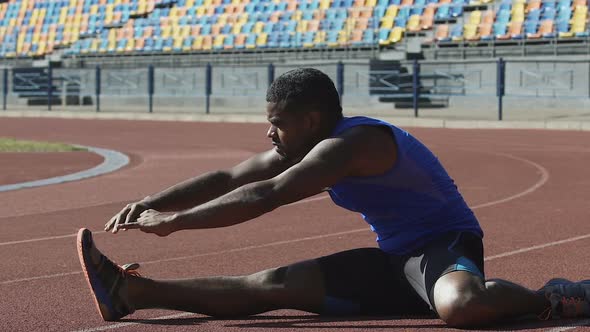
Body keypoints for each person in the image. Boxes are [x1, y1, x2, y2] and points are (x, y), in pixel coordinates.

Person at [77, 68, 590, 327]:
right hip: (395, 264)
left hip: (444, 246)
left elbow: (269, 194)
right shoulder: (306, 145)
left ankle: (554, 296)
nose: (268, 134)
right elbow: (227, 177)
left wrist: (177, 221)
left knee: (462, 306)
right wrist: (151, 201)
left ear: (312, 121)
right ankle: (131, 293)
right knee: (271, 284)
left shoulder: (352, 144)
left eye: (276, 123)